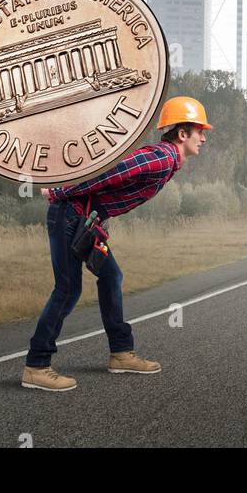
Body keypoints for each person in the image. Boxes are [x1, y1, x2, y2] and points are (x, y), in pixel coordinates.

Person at [20, 96, 212, 392]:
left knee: (111, 276)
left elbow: (114, 186)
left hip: (84, 219)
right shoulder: (162, 157)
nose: (203, 137)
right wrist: (61, 190)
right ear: (183, 134)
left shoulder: (168, 161)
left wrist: (99, 222)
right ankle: (37, 365)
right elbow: (113, 172)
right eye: (200, 130)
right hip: (69, 213)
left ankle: (121, 353)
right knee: (68, 289)